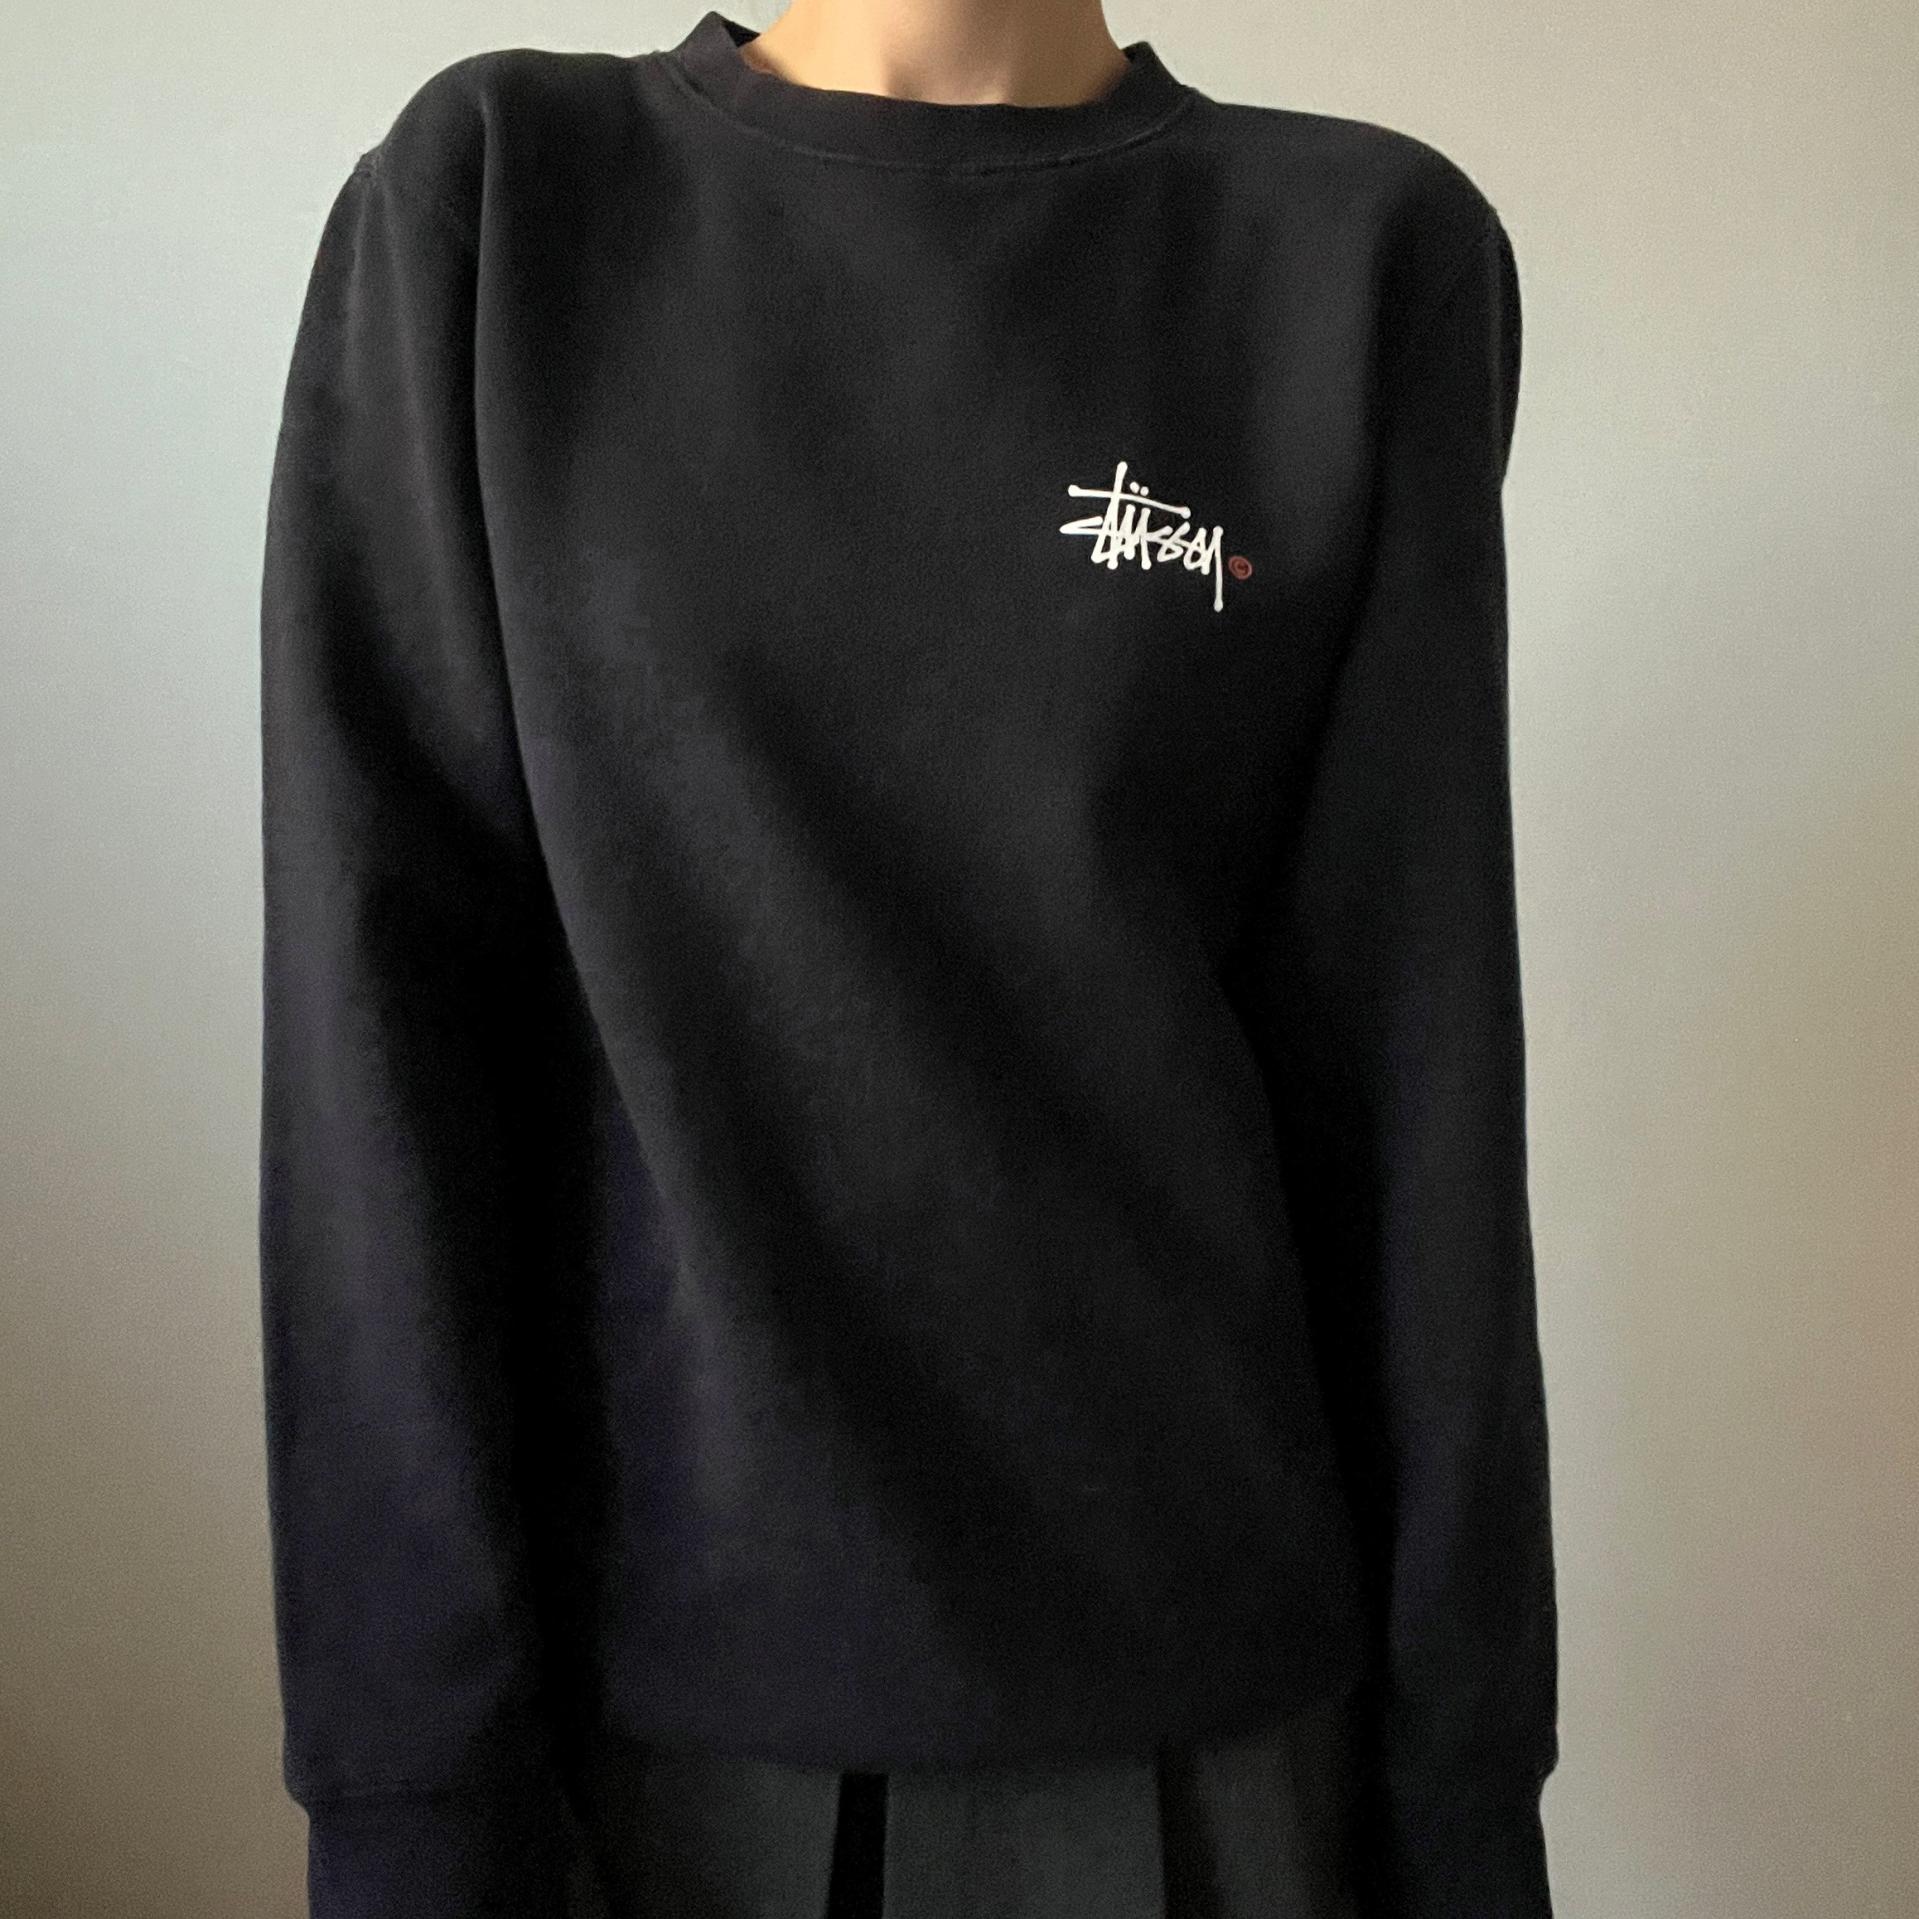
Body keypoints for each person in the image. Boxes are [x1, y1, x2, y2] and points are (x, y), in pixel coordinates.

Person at [255, 4, 1560, 1916]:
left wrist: (1466, 1794)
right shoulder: (503, 204)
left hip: (1216, 1738)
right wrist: (410, 1796)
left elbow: (1417, 1070)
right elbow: (377, 1044)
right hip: (652, 1750)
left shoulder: (1360, 255)